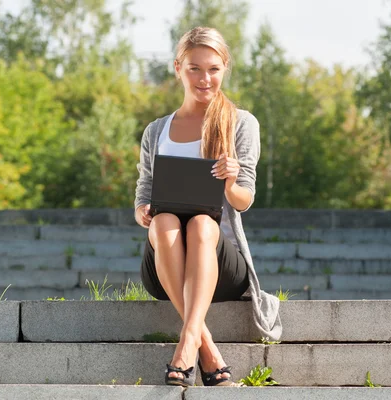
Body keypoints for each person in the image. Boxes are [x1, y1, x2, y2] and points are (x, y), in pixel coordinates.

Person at [134, 26, 282, 387]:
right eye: (195, 68)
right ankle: (207, 347)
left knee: (202, 223)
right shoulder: (156, 131)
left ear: (224, 69)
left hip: (221, 265)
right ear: (178, 68)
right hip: (166, 262)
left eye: (214, 69)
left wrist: (231, 180)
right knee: (164, 220)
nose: (205, 78)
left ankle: (188, 344)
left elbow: (244, 201)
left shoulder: (241, 123)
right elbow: (144, 194)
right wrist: (142, 211)